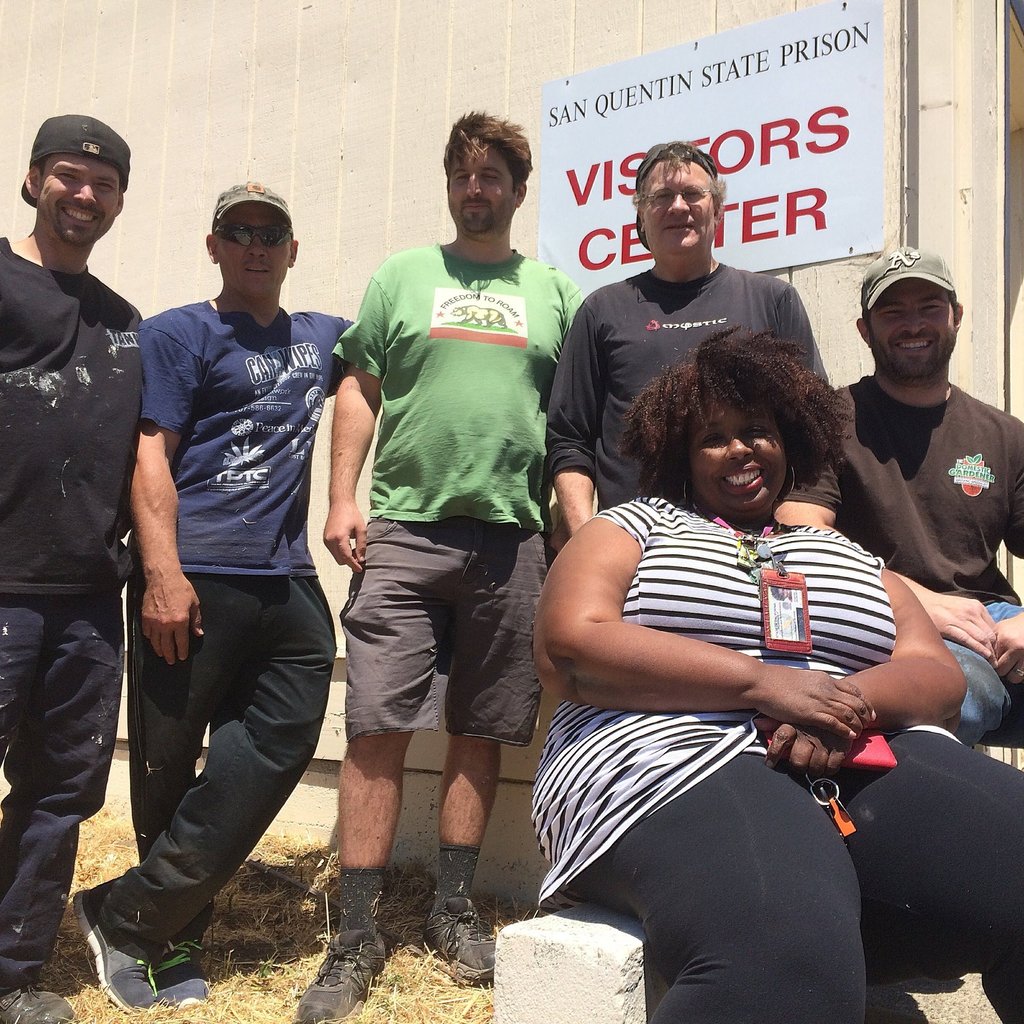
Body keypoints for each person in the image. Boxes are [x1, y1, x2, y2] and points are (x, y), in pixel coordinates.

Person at [532, 328, 1024, 1024]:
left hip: (857, 747)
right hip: (668, 757)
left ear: (790, 441)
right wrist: (767, 686)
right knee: (783, 956)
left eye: (757, 430)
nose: (740, 449)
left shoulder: (843, 552)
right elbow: (570, 645)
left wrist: (840, 704)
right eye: (713, 438)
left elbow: (935, 672)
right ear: (680, 454)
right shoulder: (632, 527)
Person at [294, 112, 580, 1024]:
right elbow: (359, 386)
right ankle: (356, 933)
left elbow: (573, 421)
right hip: (405, 532)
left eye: (492, 175)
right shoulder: (403, 275)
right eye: (462, 174)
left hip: (514, 539)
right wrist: (342, 498)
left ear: (518, 190)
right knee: (377, 724)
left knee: (481, 727)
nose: (475, 188)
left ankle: (452, 909)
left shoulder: (554, 291)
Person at [73, 182, 350, 1010]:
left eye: (271, 234)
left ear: (293, 250)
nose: (255, 246)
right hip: (192, 574)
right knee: (166, 763)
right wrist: (162, 574)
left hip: (287, 577)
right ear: (214, 246)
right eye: (239, 232)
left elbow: (400, 353)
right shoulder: (178, 333)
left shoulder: (324, 338)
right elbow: (149, 458)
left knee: (281, 738)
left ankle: (126, 915)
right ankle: (168, 939)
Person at [0, 114, 138, 1024]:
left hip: (88, 601)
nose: (84, 194)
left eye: (103, 183)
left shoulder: (122, 323)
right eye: (68, 176)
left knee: (59, 797)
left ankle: (13, 974)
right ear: (33, 181)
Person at [776, 246, 1024, 746]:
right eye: (893, 312)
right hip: (883, 619)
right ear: (865, 330)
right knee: (954, 692)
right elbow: (798, 532)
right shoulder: (831, 419)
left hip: (990, 620)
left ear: (956, 316)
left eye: (929, 307)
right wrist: (919, 602)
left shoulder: (1004, 434)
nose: (913, 325)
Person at [546, 140, 825, 542]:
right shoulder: (601, 311)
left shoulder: (773, 300)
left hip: (750, 548)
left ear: (718, 209)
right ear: (641, 217)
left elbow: (813, 429)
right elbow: (570, 439)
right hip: (635, 549)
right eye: (661, 197)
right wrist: (586, 539)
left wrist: (790, 534)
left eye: (693, 193)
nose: (678, 207)